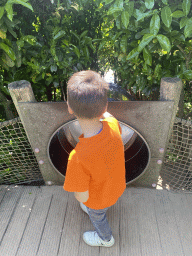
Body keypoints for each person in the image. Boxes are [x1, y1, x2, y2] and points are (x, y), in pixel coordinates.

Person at [63, 70, 126, 247]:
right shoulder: (113, 125)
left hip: (98, 201)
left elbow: (81, 196)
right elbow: (106, 116)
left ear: (69, 107)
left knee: (97, 217)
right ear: (105, 107)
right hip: (116, 187)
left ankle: (105, 239)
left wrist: (89, 204)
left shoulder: (77, 158)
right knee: (96, 206)